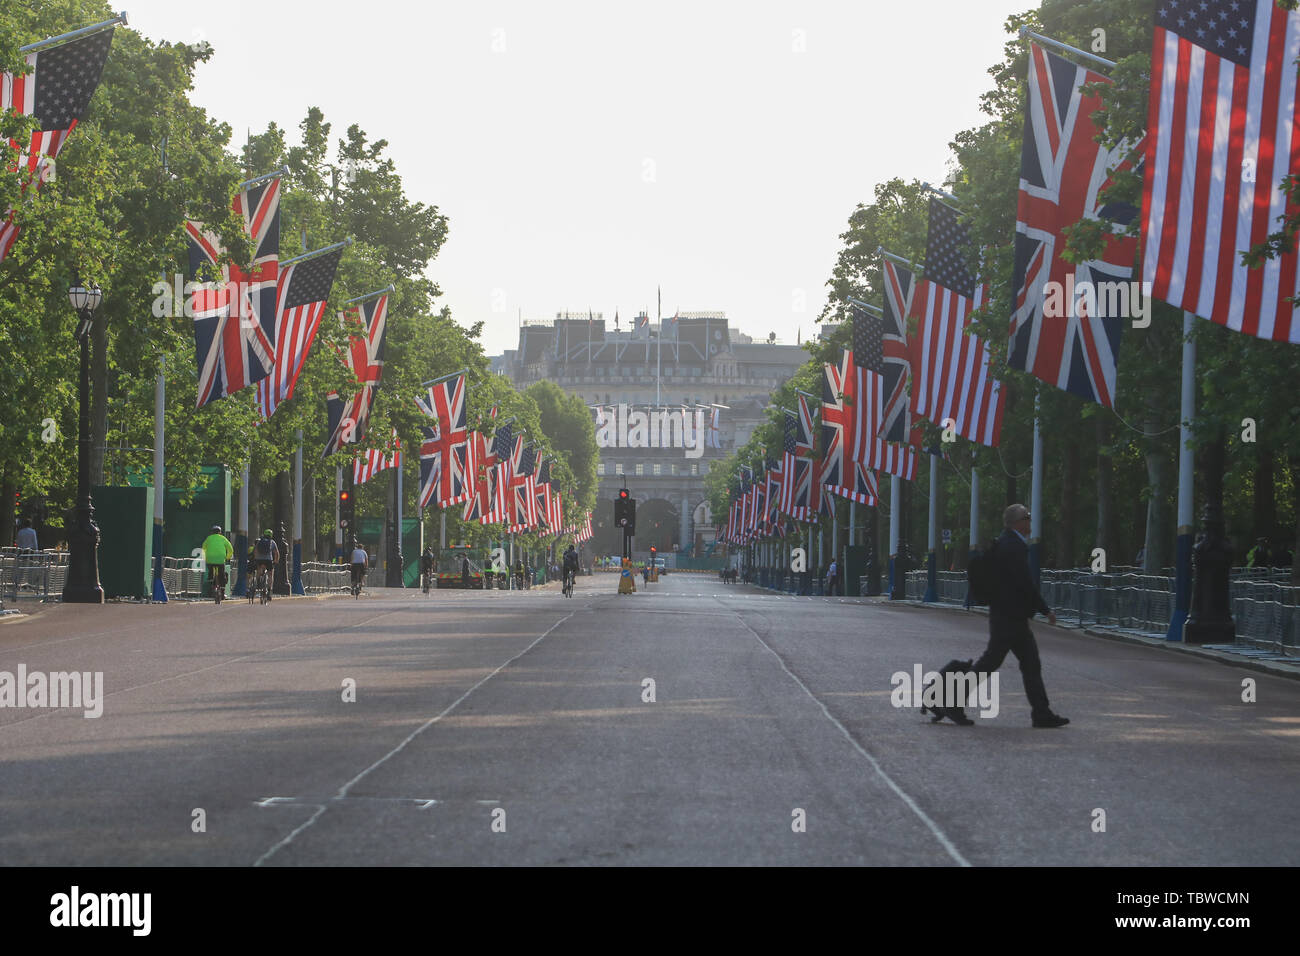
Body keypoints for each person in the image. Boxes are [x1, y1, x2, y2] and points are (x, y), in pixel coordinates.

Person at [973, 504, 1068, 729]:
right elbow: (1024, 583)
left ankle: (1042, 713)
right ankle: (949, 697)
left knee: (1029, 664)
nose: (1030, 521)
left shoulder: (1007, 542)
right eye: (1027, 517)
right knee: (991, 663)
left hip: (1009, 615)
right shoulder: (1013, 546)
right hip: (1009, 616)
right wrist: (1045, 609)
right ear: (1017, 522)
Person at [201, 525, 234, 596]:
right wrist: (227, 557)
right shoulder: (223, 538)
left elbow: (203, 547)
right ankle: (222, 591)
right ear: (220, 532)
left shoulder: (208, 538)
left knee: (211, 571)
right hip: (221, 559)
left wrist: (205, 558)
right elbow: (230, 549)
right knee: (222, 574)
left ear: (212, 532)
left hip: (210, 559)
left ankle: (210, 582)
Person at [251, 528, 279, 600]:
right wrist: (275, 561)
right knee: (270, 574)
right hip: (268, 560)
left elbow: (255, 551)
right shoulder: (272, 542)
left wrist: (256, 558)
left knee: (259, 569)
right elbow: (276, 553)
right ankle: (269, 591)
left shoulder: (259, 541)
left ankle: (258, 582)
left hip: (259, 559)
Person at [15, 518, 38, 589]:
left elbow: (18, 542)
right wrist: (36, 551)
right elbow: (35, 542)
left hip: (22, 550)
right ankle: (29, 583)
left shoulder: (20, 532)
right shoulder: (33, 532)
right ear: (30, 525)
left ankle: (18, 583)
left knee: (21, 567)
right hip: (31, 551)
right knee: (30, 567)